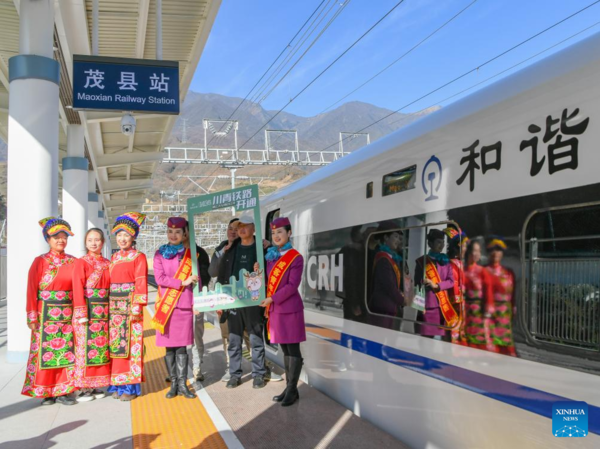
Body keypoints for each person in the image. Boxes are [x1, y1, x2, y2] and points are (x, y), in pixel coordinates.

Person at [21, 217, 78, 406]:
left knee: (66, 351)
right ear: (48, 239)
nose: (61, 240)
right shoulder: (40, 262)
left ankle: (63, 391)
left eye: (64, 237)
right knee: (45, 353)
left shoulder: (73, 262)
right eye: (56, 237)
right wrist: (31, 315)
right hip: (44, 313)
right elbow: (31, 289)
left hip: (67, 313)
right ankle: (46, 391)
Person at [217, 214, 267, 389]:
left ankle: (259, 374)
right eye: (239, 227)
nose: (242, 229)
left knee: (255, 337)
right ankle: (234, 374)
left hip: (253, 301)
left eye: (246, 225)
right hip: (233, 300)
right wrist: (220, 299)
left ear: (254, 228)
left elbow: (269, 272)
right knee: (234, 339)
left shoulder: (262, 249)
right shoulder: (231, 250)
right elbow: (222, 274)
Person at [261, 217, 306, 406]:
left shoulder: (296, 257)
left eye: (280, 232)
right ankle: (290, 388)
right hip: (276, 309)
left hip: (290, 309)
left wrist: (272, 298)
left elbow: (292, 286)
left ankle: (292, 390)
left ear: (289, 233)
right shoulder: (272, 256)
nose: (276, 236)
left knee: (293, 349)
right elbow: (268, 282)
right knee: (285, 350)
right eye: (273, 233)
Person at [152, 217, 199, 399]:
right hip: (165, 306)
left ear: (184, 234)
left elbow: (197, 281)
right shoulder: (159, 254)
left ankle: (183, 384)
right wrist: (182, 282)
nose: (173, 235)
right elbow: (160, 279)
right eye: (170, 232)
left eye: (177, 232)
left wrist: (197, 304)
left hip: (184, 305)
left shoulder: (190, 255)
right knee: (168, 347)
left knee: (181, 348)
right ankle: (173, 384)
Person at [107, 212, 148, 401]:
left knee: (130, 346)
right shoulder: (113, 257)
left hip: (130, 308)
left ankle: (130, 387)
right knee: (116, 346)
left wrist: (136, 307)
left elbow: (140, 282)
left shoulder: (138, 257)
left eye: (126, 235)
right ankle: (117, 383)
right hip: (113, 308)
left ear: (133, 237)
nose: (122, 239)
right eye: (119, 235)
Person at [72, 228, 111, 402]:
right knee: (83, 348)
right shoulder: (81, 263)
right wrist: (81, 312)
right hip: (86, 310)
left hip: (103, 311)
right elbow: (77, 287)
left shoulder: (108, 263)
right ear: (85, 243)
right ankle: (83, 388)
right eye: (90, 240)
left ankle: (95, 385)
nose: (93, 243)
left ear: (102, 242)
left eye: (97, 240)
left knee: (99, 348)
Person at [415, 229, 456, 339]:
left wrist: (437, 286)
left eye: (443, 242)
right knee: (425, 340)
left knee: (440, 343)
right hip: (427, 308)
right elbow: (417, 286)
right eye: (438, 242)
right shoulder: (421, 261)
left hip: (442, 308)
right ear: (430, 244)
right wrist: (419, 307)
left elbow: (451, 281)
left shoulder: (446, 261)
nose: (441, 245)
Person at [368, 227, 404, 330]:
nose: (398, 240)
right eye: (395, 237)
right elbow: (389, 286)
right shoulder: (383, 259)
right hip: (382, 308)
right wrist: (403, 300)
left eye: (399, 238)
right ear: (386, 238)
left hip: (389, 307)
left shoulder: (392, 257)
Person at [485, 237, 517, 356]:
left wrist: (513, 307)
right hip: (488, 316)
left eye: (499, 249)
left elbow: (512, 294)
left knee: (505, 350)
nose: (496, 252)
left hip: (504, 317)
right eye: (493, 249)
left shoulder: (509, 273)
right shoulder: (484, 271)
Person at [463, 240, 494, 350]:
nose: (477, 254)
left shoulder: (482, 271)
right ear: (469, 252)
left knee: (481, 341)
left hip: (480, 312)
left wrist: (488, 311)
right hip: (465, 312)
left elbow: (488, 291)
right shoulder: (463, 270)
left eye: (479, 251)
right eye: (474, 251)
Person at [443, 228, 468, 345]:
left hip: (462, 304)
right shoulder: (452, 264)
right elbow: (454, 284)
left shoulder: (460, 263)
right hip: (456, 304)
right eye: (464, 246)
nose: (466, 249)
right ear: (457, 248)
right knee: (455, 331)